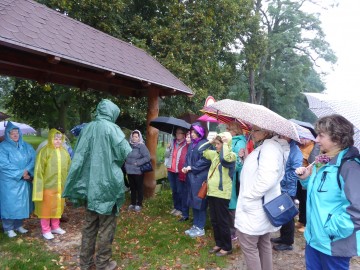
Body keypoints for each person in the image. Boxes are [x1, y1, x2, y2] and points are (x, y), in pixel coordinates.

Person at [62, 99, 131, 270]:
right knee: (107, 226)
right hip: (108, 186)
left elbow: (79, 154)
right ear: (112, 113)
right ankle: (103, 262)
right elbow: (125, 152)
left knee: (89, 226)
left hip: (90, 186)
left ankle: (85, 263)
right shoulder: (112, 129)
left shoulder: (87, 129)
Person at [295, 114, 360, 270]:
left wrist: (329, 230)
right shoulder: (324, 161)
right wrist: (305, 179)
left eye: (321, 135)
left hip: (333, 244)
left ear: (337, 139)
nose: (316, 139)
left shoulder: (350, 168)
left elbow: (356, 211)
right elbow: (318, 194)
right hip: (314, 240)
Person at [235, 126, 290, 270]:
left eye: (256, 130)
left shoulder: (270, 148)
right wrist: (245, 159)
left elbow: (267, 179)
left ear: (266, 132)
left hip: (255, 208)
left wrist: (249, 197)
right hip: (261, 207)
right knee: (263, 243)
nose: (252, 133)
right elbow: (257, 172)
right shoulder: (267, 147)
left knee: (249, 246)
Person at [33, 129, 71, 240]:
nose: (58, 141)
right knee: (46, 208)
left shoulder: (64, 152)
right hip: (47, 186)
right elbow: (39, 170)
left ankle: (55, 226)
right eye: (55, 138)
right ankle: (46, 230)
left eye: (60, 139)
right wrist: (39, 186)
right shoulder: (44, 151)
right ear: (50, 139)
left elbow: (68, 167)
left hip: (60, 185)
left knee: (57, 206)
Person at [0, 122, 36, 237]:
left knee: (22, 204)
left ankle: (18, 225)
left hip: (24, 181)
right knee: (10, 204)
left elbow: (33, 159)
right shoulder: (3, 147)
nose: (15, 135)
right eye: (12, 133)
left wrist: (28, 171)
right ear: (7, 134)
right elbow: (3, 165)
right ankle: (8, 228)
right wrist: (21, 173)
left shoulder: (26, 146)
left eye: (17, 132)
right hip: (10, 181)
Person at [203, 132, 236, 256]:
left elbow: (224, 159)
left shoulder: (232, 156)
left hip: (222, 194)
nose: (216, 146)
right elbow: (200, 151)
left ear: (225, 144)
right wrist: (210, 142)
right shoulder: (214, 155)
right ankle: (219, 243)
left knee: (222, 221)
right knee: (214, 220)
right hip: (212, 192)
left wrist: (226, 144)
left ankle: (227, 247)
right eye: (215, 144)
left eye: (218, 144)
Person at [271, 137, 303, 251]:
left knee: (288, 215)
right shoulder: (284, 148)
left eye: (283, 135)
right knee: (282, 213)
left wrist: (281, 179)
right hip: (281, 187)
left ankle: (288, 242)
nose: (280, 137)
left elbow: (295, 172)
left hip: (288, 189)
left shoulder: (295, 151)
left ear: (290, 137)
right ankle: (283, 237)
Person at [182, 122, 211, 238]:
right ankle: (195, 225)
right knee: (193, 201)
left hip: (200, 178)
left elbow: (206, 160)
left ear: (200, 133)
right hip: (191, 177)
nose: (192, 134)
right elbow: (187, 158)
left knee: (200, 202)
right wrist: (185, 166)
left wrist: (192, 168)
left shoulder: (205, 144)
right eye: (191, 132)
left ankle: (200, 227)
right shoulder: (192, 145)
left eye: (194, 132)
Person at [226, 121, 247, 241]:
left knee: (233, 204)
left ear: (234, 130)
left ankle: (234, 231)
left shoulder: (239, 142)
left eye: (228, 128)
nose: (227, 131)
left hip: (235, 178)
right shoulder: (231, 141)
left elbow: (238, 164)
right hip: (230, 176)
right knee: (230, 203)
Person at [164, 127, 189, 217]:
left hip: (180, 171)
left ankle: (181, 209)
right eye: (177, 133)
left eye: (180, 133)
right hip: (171, 170)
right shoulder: (172, 143)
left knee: (180, 191)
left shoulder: (187, 144)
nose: (178, 134)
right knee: (174, 190)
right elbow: (166, 156)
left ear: (184, 134)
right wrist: (167, 149)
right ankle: (176, 207)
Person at [124, 129, 151, 212]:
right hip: (129, 171)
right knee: (132, 188)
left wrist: (138, 162)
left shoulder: (141, 146)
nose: (134, 138)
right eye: (133, 136)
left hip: (138, 171)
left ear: (139, 137)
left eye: (136, 136)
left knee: (139, 187)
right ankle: (132, 203)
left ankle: (139, 204)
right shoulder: (129, 146)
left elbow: (147, 157)